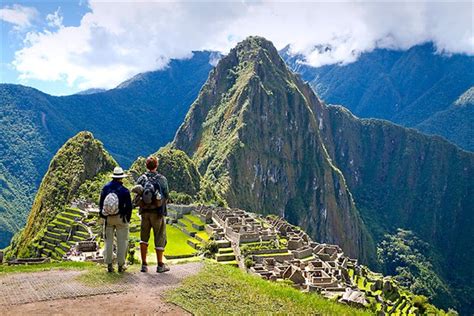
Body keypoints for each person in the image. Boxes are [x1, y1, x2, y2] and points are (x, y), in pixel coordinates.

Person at [135, 156, 170, 273]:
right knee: (159, 236)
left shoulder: (141, 179)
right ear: (156, 165)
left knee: (143, 238)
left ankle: (144, 264)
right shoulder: (162, 179)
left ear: (146, 166)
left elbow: (137, 194)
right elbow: (167, 194)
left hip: (144, 213)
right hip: (157, 214)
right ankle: (160, 265)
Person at [99, 166, 133, 273]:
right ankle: (121, 265)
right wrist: (127, 219)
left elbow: (101, 204)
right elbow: (129, 207)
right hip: (121, 218)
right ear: (121, 178)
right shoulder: (125, 191)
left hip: (108, 218)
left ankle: (109, 265)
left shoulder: (105, 188)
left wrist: (104, 216)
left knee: (108, 241)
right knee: (122, 241)